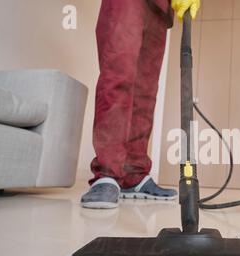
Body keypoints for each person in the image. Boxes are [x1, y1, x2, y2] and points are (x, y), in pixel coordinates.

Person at [81, 0, 201, 209]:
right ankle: (107, 174)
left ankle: (134, 175)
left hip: (161, 8)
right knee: (118, 76)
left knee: (146, 91)